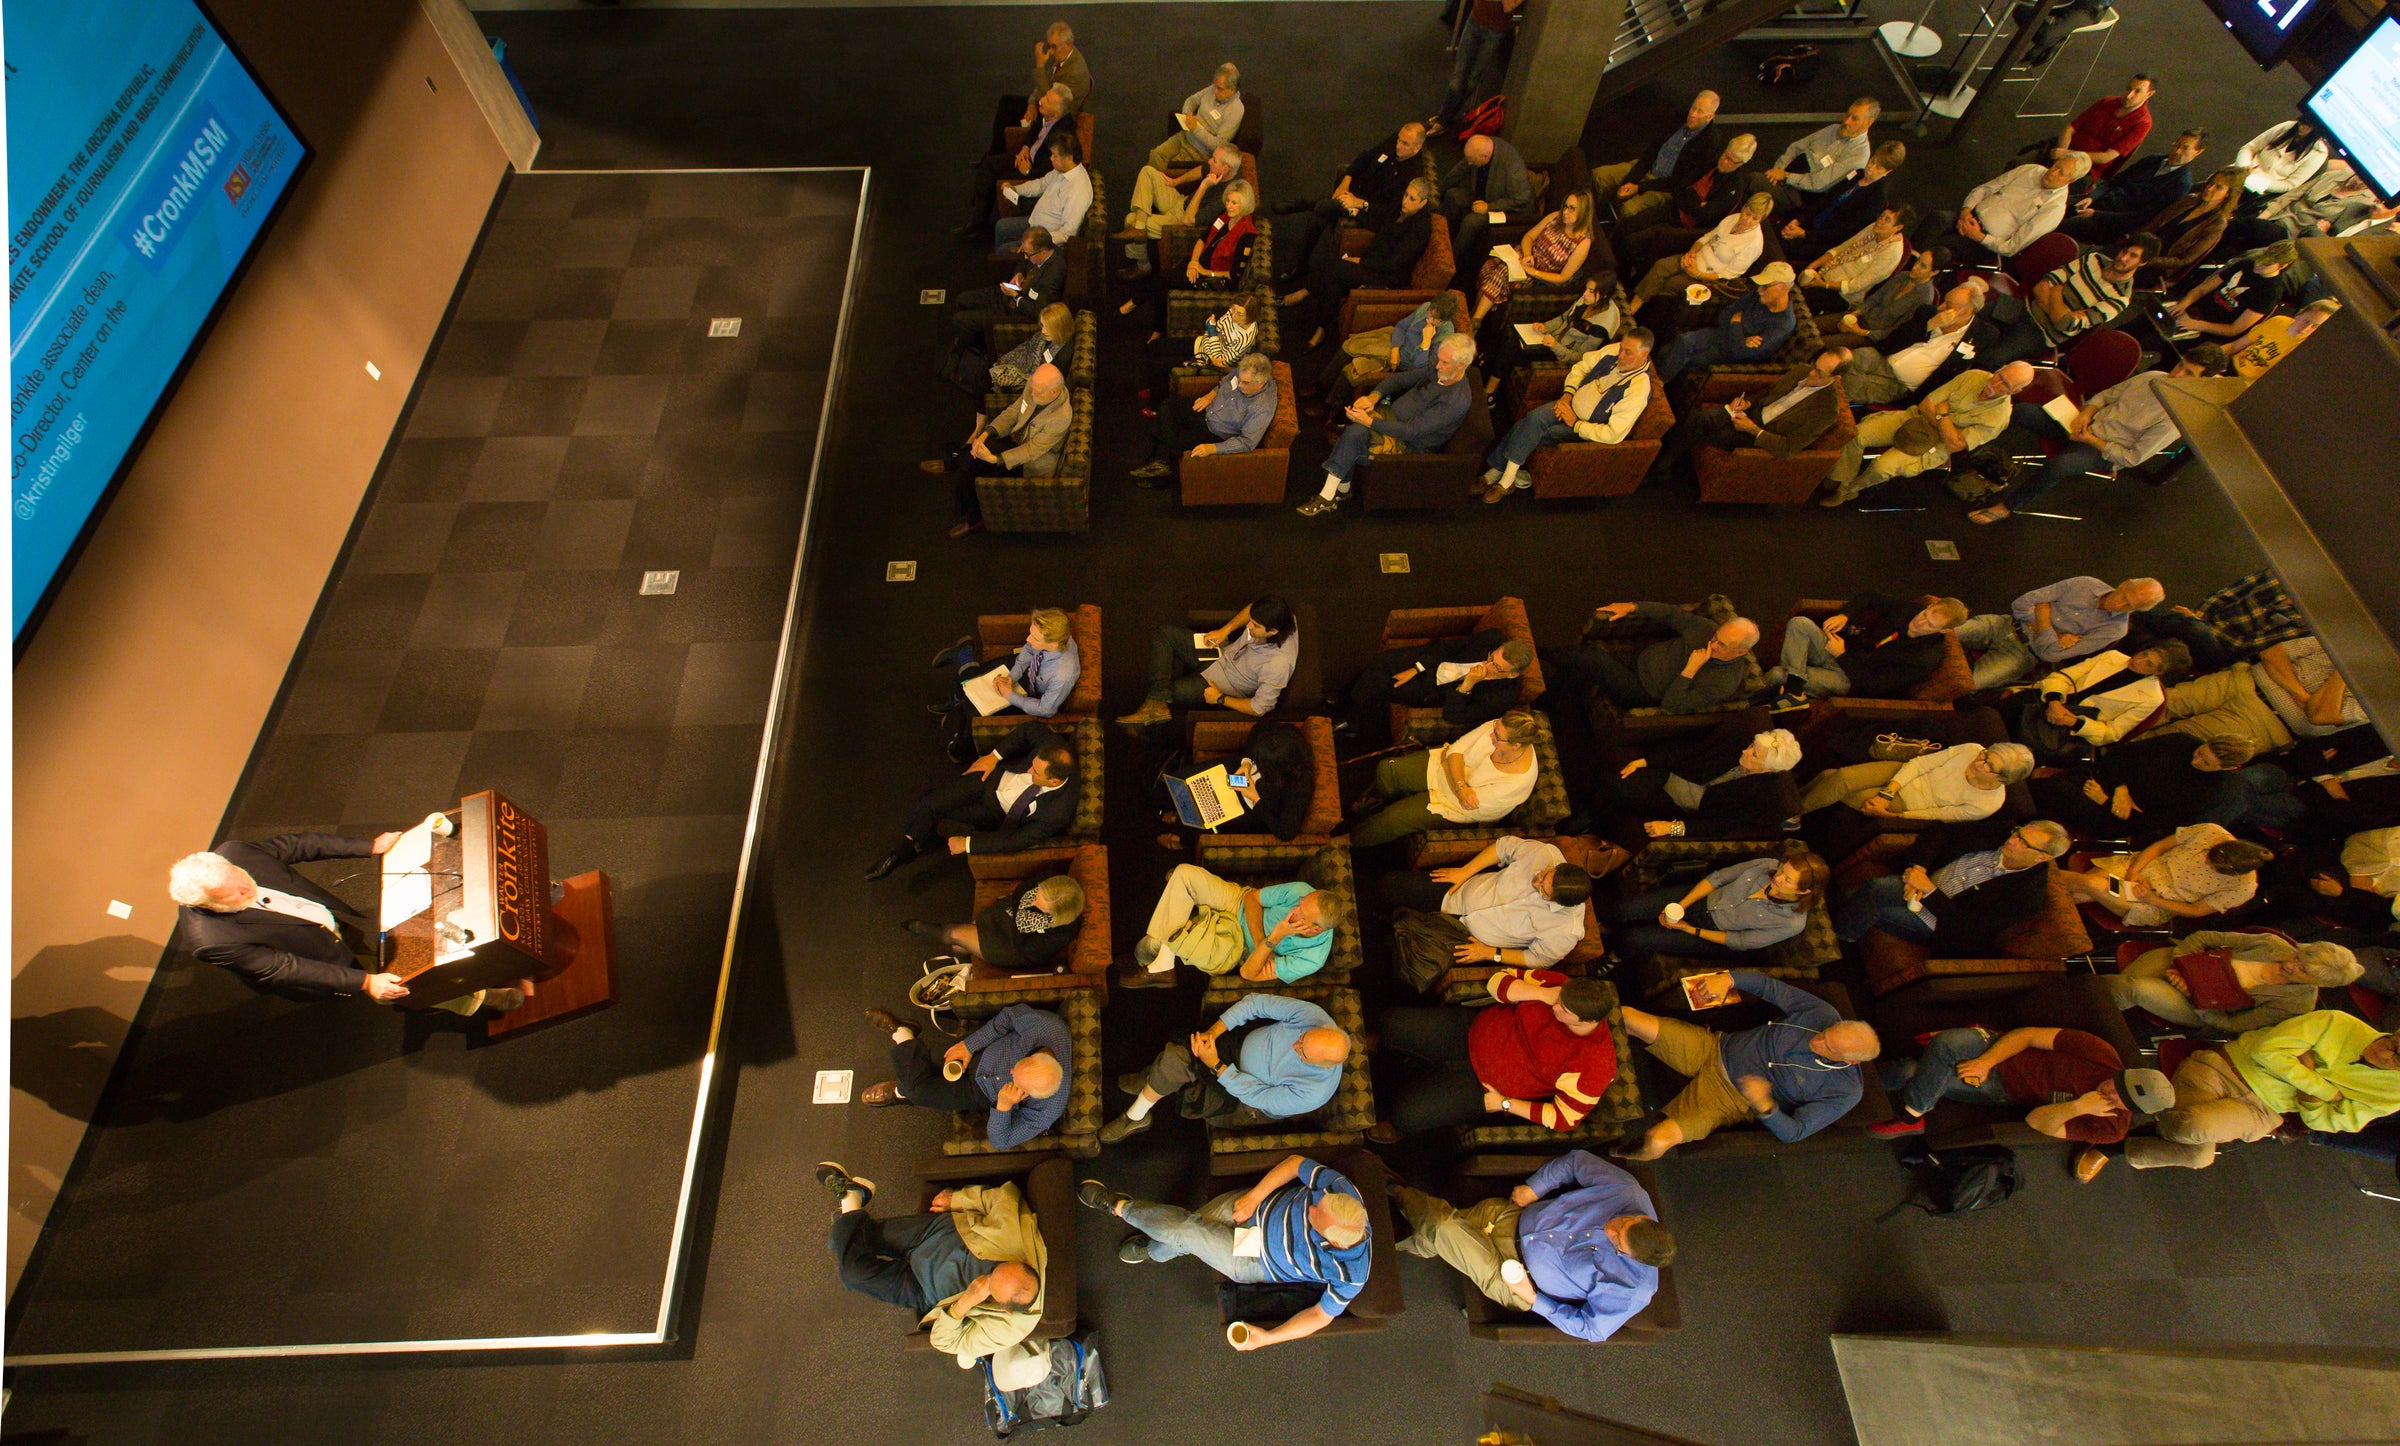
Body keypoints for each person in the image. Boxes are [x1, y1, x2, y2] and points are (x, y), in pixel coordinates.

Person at [169, 832, 521, 1015]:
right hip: (319, 959)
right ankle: (475, 999)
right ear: (211, 905)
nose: (246, 886)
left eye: (239, 877)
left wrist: (369, 845)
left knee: (401, 941)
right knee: (400, 984)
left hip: (329, 921)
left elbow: (299, 845)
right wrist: (365, 982)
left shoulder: (233, 853)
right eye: (234, 893)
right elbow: (285, 967)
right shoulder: (212, 941)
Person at [1081, 1154, 1371, 1349]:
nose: (1311, 1206)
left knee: (1185, 1231)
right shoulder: (1341, 1191)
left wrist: (1268, 1338)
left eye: (1314, 1215)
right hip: (1253, 1210)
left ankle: (1119, 1207)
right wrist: (1256, 1196)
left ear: (1332, 1242)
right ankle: (1156, 1248)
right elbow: (1296, 1164)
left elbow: (1321, 1316)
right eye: (1317, 1203)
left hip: (1256, 1260)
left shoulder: (1352, 1274)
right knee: (1186, 1232)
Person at [1392, 1151, 1671, 1342]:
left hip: (1514, 1278)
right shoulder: (1627, 1192)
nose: (1610, 1229)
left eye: (1616, 1241)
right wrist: (1536, 1187)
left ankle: (1398, 1193)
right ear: (1641, 1216)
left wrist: (1535, 1300)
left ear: (1629, 1256)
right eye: (1621, 1223)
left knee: (1443, 1226)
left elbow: (1591, 1329)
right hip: (1508, 1217)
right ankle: (1409, 1242)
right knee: (1436, 1236)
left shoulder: (1634, 1290)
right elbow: (1576, 1162)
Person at [1616, 970, 1878, 1158]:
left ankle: (1619, 1152)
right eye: (1825, 1034)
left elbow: (1795, 1132)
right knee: (1626, 1015)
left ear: (1850, 1061)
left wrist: (1765, 1105)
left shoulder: (1845, 1091)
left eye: (1828, 1047)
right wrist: (1728, 978)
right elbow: (1769, 987)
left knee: (1656, 1141)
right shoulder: (1823, 1014)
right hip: (1714, 1047)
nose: (1817, 1041)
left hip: (1730, 1097)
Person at [817, 1161, 1046, 1366]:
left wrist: (963, 1304)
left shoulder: (1011, 1328)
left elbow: (944, 1341)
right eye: (997, 1269)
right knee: (862, 1236)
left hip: (923, 1289)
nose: (987, 1275)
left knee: (853, 1273)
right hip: (938, 1235)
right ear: (1024, 1263)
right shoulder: (1022, 1243)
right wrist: (956, 1199)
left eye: (990, 1284)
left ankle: (852, 1200)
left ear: (1003, 1306)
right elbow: (1003, 1198)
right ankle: (849, 1204)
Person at [1970, 350, 2230, 524]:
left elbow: (2131, 458)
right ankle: (1970, 443)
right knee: (2024, 412)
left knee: (2058, 465)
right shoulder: (2154, 377)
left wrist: (2091, 440)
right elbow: (2106, 396)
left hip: (2101, 449)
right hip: (2085, 424)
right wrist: (2086, 413)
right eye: (2180, 366)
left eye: (2188, 374)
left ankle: (2007, 506)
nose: (2176, 375)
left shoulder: (2174, 418)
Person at [2125, 1012, 2400, 1171]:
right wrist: (2325, 1093)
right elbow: (2264, 1051)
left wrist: (2306, 1069)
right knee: (2197, 1151)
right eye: (2393, 1043)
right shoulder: (2339, 1022)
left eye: (2396, 1061)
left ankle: (2119, 1138)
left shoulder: (2393, 1095)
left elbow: (2322, 1122)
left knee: (2197, 1149)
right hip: (2223, 1070)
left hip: (2263, 1109)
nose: (2385, 1054)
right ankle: (2116, 1143)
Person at [1871, 1026, 2168, 1168]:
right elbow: (2026, 1035)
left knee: (1912, 1069)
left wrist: (2077, 1106)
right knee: (1948, 1044)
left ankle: (1869, 1085)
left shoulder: (2111, 1129)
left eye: (2119, 1099)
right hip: (2000, 1047)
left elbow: (2036, 1121)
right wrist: (1986, 1062)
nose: (2109, 1092)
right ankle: (1913, 1115)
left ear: (2129, 1110)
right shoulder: (2100, 1052)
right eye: (2115, 1083)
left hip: (2004, 1090)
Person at [1373, 966, 1620, 1137]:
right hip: (1473, 1030)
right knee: (1390, 1023)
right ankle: (1387, 1048)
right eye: (1559, 1000)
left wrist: (1504, 1104)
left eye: (1563, 1009)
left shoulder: (1596, 1066)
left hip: (1485, 1086)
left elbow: (1563, 1119)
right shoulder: (1559, 988)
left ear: (1587, 1021)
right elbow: (1498, 981)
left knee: (1405, 1116)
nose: (1556, 1007)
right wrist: (1544, 994)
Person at [1101, 993, 1350, 1141]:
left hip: (1245, 1096)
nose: (1295, 1045)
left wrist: (1216, 1065)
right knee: (1178, 1054)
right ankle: (1140, 1108)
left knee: (1188, 1088)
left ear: (1321, 1066)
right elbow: (1256, 1004)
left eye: (1302, 1052)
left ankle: (1144, 1098)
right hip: (1239, 1043)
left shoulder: (1314, 1093)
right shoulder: (1315, 1018)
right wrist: (1212, 1033)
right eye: (1302, 1038)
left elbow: (1258, 1096)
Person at [867, 720, 1081, 879]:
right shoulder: (1052, 744)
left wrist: (967, 843)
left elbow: (1017, 840)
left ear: (1053, 782)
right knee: (931, 803)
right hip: (990, 779)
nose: (1028, 770)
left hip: (996, 814)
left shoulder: (1058, 812)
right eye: (1032, 764)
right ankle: (902, 852)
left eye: (1035, 772)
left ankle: (919, 840)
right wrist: (993, 757)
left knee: (932, 804)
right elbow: (1027, 730)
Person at [1296, 333, 1478, 517]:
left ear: (1461, 365)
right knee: (1354, 433)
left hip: (1407, 444)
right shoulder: (1438, 369)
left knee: (1354, 435)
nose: (1438, 365)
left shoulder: (1455, 401)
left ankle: (1335, 493)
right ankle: (1338, 493)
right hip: (1390, 418)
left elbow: (1412, 432)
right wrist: (1373, 397)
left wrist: (1369, 421)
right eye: (1439, 359)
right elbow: (1399, 379)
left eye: (1444, 362)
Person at [1832, 818, 2070, 952]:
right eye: (2018, 833)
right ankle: (1834, 918)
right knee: (1873, 888)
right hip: (1920, 883)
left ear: (2042, 857)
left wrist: (1929, 890)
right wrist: (1919, 868)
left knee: (1873, 906)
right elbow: (1941, 831)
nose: (2012, 840)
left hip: (1936, 922)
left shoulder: (2027, 897)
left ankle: (1837, 939)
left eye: (2024, 843)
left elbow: (1968, 927)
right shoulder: (2000, 831)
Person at [1818, 362, 2034, 509]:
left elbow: (1955, 444)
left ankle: (1848, 490)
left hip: (1935, 446)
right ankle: (1839, 479)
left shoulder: (1999, 417)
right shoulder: (1974, 376)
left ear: (2016, 392)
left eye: (2005, 384)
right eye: (1999, 375)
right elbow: (1927, 404)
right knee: (1858, 434)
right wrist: (1944, 422)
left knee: (1882, 467)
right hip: (1915, 418)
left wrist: (1942, 413)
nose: (1994, 384)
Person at [1475, 328, 1653, 504]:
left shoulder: (1638, 388)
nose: (1621, 354)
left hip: (1583, 427)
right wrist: (1568, 394)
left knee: (1530, 430)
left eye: (1627, 352)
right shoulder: (1613, 351)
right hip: (1567, 403)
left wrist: (1576, 424)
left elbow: (1613, 434)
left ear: (1644, 355)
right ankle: (1505, 479)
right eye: (1621, 348)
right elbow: (1582, 366)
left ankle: (1499, 475)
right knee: (1533, 419)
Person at [861, 1001, 1070, 1148]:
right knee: (924, 1079)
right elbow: (1008, 1016)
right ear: (1037, 1053)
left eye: (1019, 1084)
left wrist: (1004, 1107)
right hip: (981, 1054)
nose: (1011, 1073)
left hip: (980, 1092)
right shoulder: (1049, 1028)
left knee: (917, 1089)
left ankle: (902, 1039)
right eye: (1017, 1067)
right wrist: (970, 1045)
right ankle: (900, 1090)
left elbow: (1002, 1141)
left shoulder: (1050, 1109)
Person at [1383, 835, 1594, 973]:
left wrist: (1490, 953)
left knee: (1405, 965)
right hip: (1458, 892)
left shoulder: (1565, 931)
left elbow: (1539, 959)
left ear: (1560, 903)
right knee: (1391, 885)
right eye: (1544, 874)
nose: (1536, 881)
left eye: (1543, 890)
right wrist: (1464, 871)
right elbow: (1503, 847)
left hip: (1468, 937)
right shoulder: (1546, 855)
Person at [1116, 860, 1342, 989]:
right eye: (1300, 903)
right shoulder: (1302, 891)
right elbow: (1252, 898)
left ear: (1315, 929)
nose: (1295, 908)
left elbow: (1248, 972)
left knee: (1154, 942)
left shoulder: (1312, 959)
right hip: (1238, 904)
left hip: (1236, 946)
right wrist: (1263, 943)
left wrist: (1275, 938)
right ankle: (1163, 963)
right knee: (1184, 873)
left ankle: (1146, 958)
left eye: (1301, 913)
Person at [1647, 344, 1850, 485]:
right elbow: (1769, 393)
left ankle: (1662, 465)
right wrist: (1748, 402)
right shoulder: (1801, 371)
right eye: (1815, 367)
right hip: (1751, 412)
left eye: (1820, 373)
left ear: (1836, 378)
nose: (1812, 374)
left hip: (1760, 434)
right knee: (1701, 417)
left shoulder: (1826, 411)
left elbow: (1788, 448)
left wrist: (1753, 430)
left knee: (1716, 433)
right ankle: (1664, 461)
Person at [1349, 711, 1543, 849]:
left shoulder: (1517, 782)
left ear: (1516, 745)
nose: (1491, 734)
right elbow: (1456, 749)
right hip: (1449, 776)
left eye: (1497, 736)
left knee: (1393, 818)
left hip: (1453, 805)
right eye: (1495, 728)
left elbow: (1468, 804)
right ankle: (1380, 801)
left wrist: (1454, 767)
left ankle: (1350, 839)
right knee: (1387, 769)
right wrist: (1461, 784)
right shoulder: (1498, 727)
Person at [1283, 176, 1438, 349]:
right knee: (1335, 285)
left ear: (1423, 203)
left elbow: (1394, 263)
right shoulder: (1400, 208)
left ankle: (1303, 292)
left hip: (1386, 276)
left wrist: (1360, 261)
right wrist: (1358, 208)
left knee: (1333, 268)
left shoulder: (1420, 229)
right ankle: (1321, 331)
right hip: (1372, 261)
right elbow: (1380, 216)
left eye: (1412, 199)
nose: (1405, 201)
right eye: (1406, 195)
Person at [1590, 719, 1802, 845]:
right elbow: (1691, 750)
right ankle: (1584, 819)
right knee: (1622, 785)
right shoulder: (1739, 742)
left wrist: (1673, 828)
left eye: (1754, 755)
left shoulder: (1767, 796)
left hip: (1688, 807)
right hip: (1673, 774)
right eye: (1751, 746)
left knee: (1629, 801)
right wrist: (1645, 761)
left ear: (1768, 769)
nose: (1746, 751)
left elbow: (1720, 826)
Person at [2106, 932, 2363, 1035]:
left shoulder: (2297, 1003)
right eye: (2298, 956)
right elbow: (2206, 936)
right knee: (2124, 984)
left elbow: (2235, 1024)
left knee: (2133, 986)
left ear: (2317, 982)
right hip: (2184, 963)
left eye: (2302, 970)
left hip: (2200, 1007)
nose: (2291, 964)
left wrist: (2195, 996)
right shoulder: (2273, 945)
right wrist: (2182, 963)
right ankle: (2090, 1007)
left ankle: (2083, 1003)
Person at [1271, 122, 1431, 283]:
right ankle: (1302, 265)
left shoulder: (1413, 176)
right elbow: (1365, 157)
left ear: (1416, 148)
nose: (1398, 146)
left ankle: (1301, 205)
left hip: (1370, 213)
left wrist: (1361, 204)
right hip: (1357, 191)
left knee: (1325, 206)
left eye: (1405, 144)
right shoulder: (1395, 141)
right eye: (1398, 140)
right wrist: (1346, 180)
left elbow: (1391, 211)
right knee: (1317, 218)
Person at [929, 363, 1071, 538]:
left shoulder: (1061, 417)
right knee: (971, 457)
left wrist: (994, 459)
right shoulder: (1035, 386)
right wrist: (985, 434)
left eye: (1037, 392)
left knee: (969, 465)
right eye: (1032, 389)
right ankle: (961, 467)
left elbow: (1031, 451)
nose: (1032, 394)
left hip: (1030, 463)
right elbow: (1013, 412)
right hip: (1014, 440)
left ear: (1054, 393)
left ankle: (974, 517)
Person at [1119, 596, 1299, 732]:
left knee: (1170, 691)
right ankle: (1156, 702)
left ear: (1273, 631)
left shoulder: (1277, 665)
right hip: (1223, 653)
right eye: (1251, 621)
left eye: (1256, 626)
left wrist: (1220, 698)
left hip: (1226, 683)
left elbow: (1260, 708)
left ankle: (1154, 712)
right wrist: (1225, 630)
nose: (1249, 627)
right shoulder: (1281, 616)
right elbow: (1252, 608)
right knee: (1164, 634)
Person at [1974, 233, 2153, 370]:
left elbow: (2064, 324)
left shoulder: (2119, 299)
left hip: (2041, 334)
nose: (2123, 258)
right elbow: (2042, 285)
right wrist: (2059, 309)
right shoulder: (2094, 259)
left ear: (2143, 263)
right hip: (2025, 307)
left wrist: (2057, 292)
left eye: (2133, 256)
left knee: (1991, 359)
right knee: (1970, 313)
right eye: (2124, 251)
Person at [926, 606, 1082, 760]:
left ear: (1053, 644)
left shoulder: (1062, 675)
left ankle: (959, 748)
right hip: (1026, 670)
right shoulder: (1053, 637)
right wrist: (1011, 677)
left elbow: (1046, 710)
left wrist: (1010, 695)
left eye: (1034, 638)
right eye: (1031, 633)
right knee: (976, 678)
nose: (1028, 639)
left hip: (1031, 693)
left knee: (972, 710)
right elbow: (1027, 651)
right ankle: (958, 687)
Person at [1955, 576, 2165, 690]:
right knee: (1947, 630)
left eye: (2129, 605)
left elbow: (2051, 655)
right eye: (2124, 595)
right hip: (2005, 624)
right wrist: (2053, 634)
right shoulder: (2085, 584)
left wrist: (2043, 615)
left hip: (2025, 654)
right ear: (2124, 583)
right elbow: (2020, 603)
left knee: (1968, 685)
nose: (2119, 603)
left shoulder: (2114, 630)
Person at [1551, 600, 1760, 715]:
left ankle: (1532, 653)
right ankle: (1549, 698)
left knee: (1593, 659)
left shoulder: (1724, 683)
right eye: (1716, 637)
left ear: (1741, 652)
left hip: (1643, 688)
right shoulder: (1706, 630)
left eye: (1721, 645)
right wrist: (1634, 607)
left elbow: (1672, 705)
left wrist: (1690, 670)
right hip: (1640, 657)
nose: (1712, 644)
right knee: (1579, 667)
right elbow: (1672, 614)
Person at [1611, 852, 1830, 960]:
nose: (1778, 877)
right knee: (1624, 909)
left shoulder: (1791, 922)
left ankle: (1614, 956)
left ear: (1803, 891)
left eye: (1787, 880)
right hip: (1702, 899)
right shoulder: (1767, 865)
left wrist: (1690, 929)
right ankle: (1603, 925)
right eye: (1782, 870)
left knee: (1633, 939)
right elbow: (1718, 878)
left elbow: (1740, 941)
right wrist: (1682, 905)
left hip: (1711, 932)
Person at [1337, 631, 1534, 750]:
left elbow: (1454, 716)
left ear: (1511, 675)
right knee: (1381, 662)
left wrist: (1467, 685)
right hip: (1429, 662)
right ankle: (1349, 707)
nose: (1487, 664)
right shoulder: (1493, 638)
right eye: (1491, 657)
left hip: (1435, 689)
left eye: (1496, 667)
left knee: (1385, 685)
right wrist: (1416, 668)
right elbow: (1448, 645)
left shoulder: (1502, 698)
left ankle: (1348, 710)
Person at [2031, 734, 2256, 837]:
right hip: (2106, 779)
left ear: (2227, 769)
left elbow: (2154, 824)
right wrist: (2121, 788)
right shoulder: (2182, 742)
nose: (2195, 760)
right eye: (2200, 752)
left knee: (2057, 793)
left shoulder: (2210, 793)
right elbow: (2121, 754)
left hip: (2118, 816)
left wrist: (2106, 802)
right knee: (2055, 790)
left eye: (2205, 763)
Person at [2065, 823, 2272, 928]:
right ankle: (2039, 901)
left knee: (2093, 884)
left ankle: (2040, 874)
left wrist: (2151, 898)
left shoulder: (2244, 887)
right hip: (2138, 868)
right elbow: (2159, 847)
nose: (2206, 862)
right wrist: (2134, 872)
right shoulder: (2212, 831)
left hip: (2154, 901)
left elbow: (2195, 910)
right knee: (2084, 892)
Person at [2011, 641, 2193, 761]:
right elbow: (2063, 676)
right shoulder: (2112, 656)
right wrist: (2054, 702)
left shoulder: (2152, 699)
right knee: (2008, 707)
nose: (2138, 660)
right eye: (2144, 653)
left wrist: (2071, 721)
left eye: (2149, 664)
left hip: (2068, 729)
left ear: (2158, 673)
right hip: (2050, 698)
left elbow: (2111, 733)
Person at [1770, 594, 1970, 701]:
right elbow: (1871, 597)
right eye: (1925, 614)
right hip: (1844, 649)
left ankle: (1748, 697)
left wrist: (1842, 656)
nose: (1919, 622)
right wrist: (1844, 615)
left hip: (1849, 679)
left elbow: (1876, 686)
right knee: (1800, 623)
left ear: (1944, 631)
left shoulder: (1923, 659)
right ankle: (1794, 688)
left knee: (1779, 674)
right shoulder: (1911, 610)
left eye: (1930, 625)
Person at [1800, 740, 2034, 827]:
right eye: (1985, 755)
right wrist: (1890, 791)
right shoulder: (1972, 749)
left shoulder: (1988, 804)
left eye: (1988, 766)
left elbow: (1937, 815)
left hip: (1909, 803)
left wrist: (1893, 815)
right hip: (1902, 775)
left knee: (1832, 780)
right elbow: (1921, 764)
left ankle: (1791, 808)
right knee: (1838, 777)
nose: (1978, 761)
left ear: (2003, 779)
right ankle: (1792, 812)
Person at [1130, 351, 1277, 489]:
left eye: (1245, 383)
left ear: (1260, 384)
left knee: (1178, 437)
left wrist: (1213, 448)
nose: (1239, 385)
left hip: (1216, 433)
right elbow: (1224, 383)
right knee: (1169, 406)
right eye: (1239, 379)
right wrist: (1210, 396)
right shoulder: (1244, 371)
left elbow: (1246, 443)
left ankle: (1159, 465)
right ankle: (1162, 462)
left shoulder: (1262, 407)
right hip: (1207, 411)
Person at [1159, 718, 1318, 845]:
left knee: (1200, 820)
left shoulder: (1301, 784)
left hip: (1250, 806)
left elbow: (1286, 832)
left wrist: (1255, 798)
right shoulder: (1284, 735)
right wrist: (1247, 762)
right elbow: (1258, 729)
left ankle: (1182, 834)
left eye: (1263, 764)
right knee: (1183, 778)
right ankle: (1178, 810)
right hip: (1237, 769)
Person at [1125, 180, 1258, 331]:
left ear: (1245, 204)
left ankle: (1132, 304)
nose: (1228, 205)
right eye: (1228, 200)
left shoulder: (1247, 233)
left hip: (1213, 278)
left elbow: (1234, 275)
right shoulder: (1225, 217)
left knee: (1162, 278)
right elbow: (1202, 239)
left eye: (1234, 203)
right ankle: (1159, 329)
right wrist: (1194, 262)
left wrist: (1203, 271)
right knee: (1162, 287)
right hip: (1198, 263)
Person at [906, 870, 1085, 979]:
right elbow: (1020, 892)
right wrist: (1017, 911)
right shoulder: (1050, 879)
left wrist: (1017, 920)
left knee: (956, 935)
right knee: (960, 941)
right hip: (1008, 913)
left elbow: (1025, 950)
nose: (1034, 901)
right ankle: (964, 964)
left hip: (1011, 946)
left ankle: (920, 928)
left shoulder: (1064, 931)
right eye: (1038, 893)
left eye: (1040, 905)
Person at [1616, 134, 1759, 264]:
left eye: (1732, 161)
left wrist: (1689, 193)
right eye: (1726, 156)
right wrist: (1695, 199)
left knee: (1635, 241)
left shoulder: (1735, 186)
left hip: (1688, 229)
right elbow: (1680, 185)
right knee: (1629, 225)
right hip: (1675, 208)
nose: (1725, 162)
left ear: (1741, 164)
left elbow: (1704, 216)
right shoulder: (1711, 161)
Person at [1835, 282, 1981, 406]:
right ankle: (1832, 397)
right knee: (1856, 356)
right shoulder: (1928, 312)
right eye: (1944, 300)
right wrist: (1930, 324)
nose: (1941, 307)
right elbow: (1894, 339)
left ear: (1966, 312)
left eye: (1949, 305)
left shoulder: (1977, 336)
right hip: (1884, 358)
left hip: (1901, 384)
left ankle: (1832, 401)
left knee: (1861, 384)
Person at [1475, 191, 1603, 330]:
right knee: (1491, 267)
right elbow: (1529, 236)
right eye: (1565, 206)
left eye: (1572, 208)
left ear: (1583, 212)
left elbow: (1563, 276)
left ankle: (1475, 320)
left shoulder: (1583, 242)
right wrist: (1528, 254)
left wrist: (1534, 272)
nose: (1565, 211)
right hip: (1523, 255)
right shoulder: (1555, 217)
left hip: (1537, 275)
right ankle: (1476, 320)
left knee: (1501, 271)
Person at [1323, 290, 1461, 416]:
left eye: (1437, 320)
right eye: (1431, 313)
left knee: (1352, 370)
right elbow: (1401, 326)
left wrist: (1426, 342)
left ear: (1445, 321)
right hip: (1393, 345)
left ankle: (1329, 408)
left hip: (1404, 365)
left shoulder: (1446, 337)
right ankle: (1321, 387)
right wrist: (1395, 349)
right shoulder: (1425, 307)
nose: (1430, 320)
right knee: (1348, 348)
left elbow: (1419, 369)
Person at [1654, 264, 1797, 383]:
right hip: (1721, 334)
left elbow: (1741, 352)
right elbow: (1725, 315)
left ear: (1782, 288)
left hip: (1731, 356)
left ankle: (1658, 383)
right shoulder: (1758, 295)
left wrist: (1736, 323)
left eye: (1765, 287)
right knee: (1681, 342)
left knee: (1677, 356)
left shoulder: (1783, 324)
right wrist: (1741, 337)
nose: (1759, 290)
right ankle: (1658, 381)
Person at [1592, 90, 1721, 222]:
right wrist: (1632, 180)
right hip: (1648, 169)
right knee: (1600, 176)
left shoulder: (1710, 143)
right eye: (1693, 108)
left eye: (1700, 112)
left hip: (1664, 187)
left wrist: (1639, 187)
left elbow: (1681, 181)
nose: (1693, 114)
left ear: (1710, 117)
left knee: (1629, 209)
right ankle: (1591, 216)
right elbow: (1651, 152)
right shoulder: (1678, 119)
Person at [969, 84, 1077, 239]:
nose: (1041, 100)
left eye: (1047, 100)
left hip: (1033, 171)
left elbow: (1051, 170)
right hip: (1026, 158)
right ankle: (977, 221)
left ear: (1058, 111)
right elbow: (1033, 131)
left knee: (993, 174)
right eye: (1044, 96)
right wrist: (1025, 148)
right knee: (988, 164)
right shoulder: (1046, 113)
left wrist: (1027, 171)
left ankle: (979, 227)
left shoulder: (1062, 134)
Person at [1119, 144, 1243, 279]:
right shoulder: (1220, 170)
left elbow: (1188, 220)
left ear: (1225, 169)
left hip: (1180, 219)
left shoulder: (1226, 198)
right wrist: (1175, 182)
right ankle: (1140, 227)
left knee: (1131, 219)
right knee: (1147, 171)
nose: (1209, 161)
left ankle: (1143, 265)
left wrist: (1203, 185)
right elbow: (1202, 169)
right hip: (1181, 201)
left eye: (1213, 160)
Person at [2064, 127, 2205, 244]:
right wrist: (2092, 197)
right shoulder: (2153, 160)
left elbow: (2141, 218)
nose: (2177, 151)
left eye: (2185, 148)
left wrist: (2096, 215)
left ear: (2198, 152)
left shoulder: (2181, 184)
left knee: (2056, 224)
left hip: (2111, 224)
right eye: (2177, 145)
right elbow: (2115, 181)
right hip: (2100, 201)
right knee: (2051, 205)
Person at [1627, 193, 1772, 306]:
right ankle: (1632, 309)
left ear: (1761, 219)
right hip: (1695, 260)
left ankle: (1646, 318)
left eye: (1754, 218)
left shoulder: (1754, 244)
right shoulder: (1732, 218)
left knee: (1670, 283)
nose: (1747, 221)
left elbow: (1728, 275)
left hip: (1708, 278)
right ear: (1744, 207)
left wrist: (1697, 274)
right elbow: (1707, 237)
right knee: (1661, 266)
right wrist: (1691, 253)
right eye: (1747, 214)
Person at [1778, 143, 1909, 266]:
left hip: (1824, 241)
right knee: (1778, 228)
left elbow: (1844, 232)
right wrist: (1798, 220)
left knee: (1780, 247)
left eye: (1878, 167)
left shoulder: (1876, 199)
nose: (1870, 168)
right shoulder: (1857, 174)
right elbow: (1825, 200)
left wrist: (1803, 233)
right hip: (1812, 223)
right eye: (1872, 161)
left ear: (1888, 171)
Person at [1944, 152, 2086, 262]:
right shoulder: (2030, 170)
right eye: (2056, 166)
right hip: (1970, 216)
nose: (2053, 172)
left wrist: (1979, 236)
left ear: (2071, 180)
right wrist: (1966, 210)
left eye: (2061, 173)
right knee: (1938, 219)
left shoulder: (2054, 209)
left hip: (1984, 243)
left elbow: (2012, 247)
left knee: (1943, 246)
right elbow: (1986, 189)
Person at [1138, 290, 1261, 412]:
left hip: (1206, 361)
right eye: (1233, 309)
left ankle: (1157, 407)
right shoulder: (1232, 312)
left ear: (1250, 316)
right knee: (1153, 347)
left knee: (1157, 365)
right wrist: (1211, 333)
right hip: (1201, 344)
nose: (1233, 315)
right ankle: (1156, 388)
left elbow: (1222, 361)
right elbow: (1213, 330)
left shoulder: (1246, 339)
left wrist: (1211, 332)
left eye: (1239, 314)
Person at [953, 227, 1068, 352]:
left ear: (1042, 251)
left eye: (1027, 254)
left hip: (1015, 311)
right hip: (1008, 293)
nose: (1025, 256)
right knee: (962, 299)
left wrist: (1015, 296)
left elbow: (1038, 311)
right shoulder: (1041, 251)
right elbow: (1022, 261)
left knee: (960, 319)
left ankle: (978, 346)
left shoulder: (1053, 276)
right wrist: (1018, 273)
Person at [2164, 240, 2300, 340]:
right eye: (2261, 259)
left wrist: (2200, 325)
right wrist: (2184, 303)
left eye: (2266, 264)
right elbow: (2203, 289)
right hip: (2196, 311)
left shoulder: (2271, 292)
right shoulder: (2246, 264)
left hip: (2211, 329)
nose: (2257, 266)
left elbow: (2234, 329)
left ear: (2282, 266)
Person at [1795, 204, 1912, 317]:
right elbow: (1841, 249)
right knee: (1791, 272)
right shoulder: (1873, 228)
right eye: (1881, 216)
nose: (1880, 221)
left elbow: (1857, 285)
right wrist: (1813, 266)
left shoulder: (1891, 253)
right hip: (1826, 271)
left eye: (1887, 220)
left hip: (1842, 294)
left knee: (1803, 298)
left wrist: (1823, 285)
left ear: (1898, 227)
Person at [1762, 97, 1881, 206]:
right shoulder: (1833, 129)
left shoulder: (1859, 155)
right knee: (1761, 183)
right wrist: (1778, 169)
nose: (1846, 121)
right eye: (1847, 115)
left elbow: (1819, 183)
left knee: (1754, 182)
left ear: (1868, 122)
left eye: (1854, 118)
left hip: (1801, 193)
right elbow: (1796, 147)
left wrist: (1785, 177)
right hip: (1784, 175)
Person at [2133, 168, 2244, 284]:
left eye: (2218, 187)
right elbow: (2155, 222)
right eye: (2211, 183)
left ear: (2228, 194)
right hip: (2141, 247)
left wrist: (2148, 260)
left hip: (2159, 265)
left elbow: (2184, 260)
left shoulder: (2217, 224)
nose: (2209, 189)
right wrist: (2132, 238)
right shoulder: (2189, 200)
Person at [992, 20, 1090, 150]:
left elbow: (1050, 98)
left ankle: (1005, 153)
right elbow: (1044, 84)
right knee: (1007, 102)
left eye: (1054, 46)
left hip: (1058, 113)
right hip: (1049, 102)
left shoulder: (1074, 72)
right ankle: (997, 150)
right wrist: (1032, 103)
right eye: (1050, 46)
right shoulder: (1063, 56)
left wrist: (1040, 66)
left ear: (1068, 45)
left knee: (1010, 110)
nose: (1051, 51)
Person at [1442, 133, 1536, 269]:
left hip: (1505, 207)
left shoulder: (1512, 168)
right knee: (1452, 195)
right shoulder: (1480, 150)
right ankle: (1445, 237)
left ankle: (1452, 260)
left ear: (1485, 157)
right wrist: (1441, 188)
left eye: (1473, 162)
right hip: (1483, 195)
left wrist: (1489, 207)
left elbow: (1522, 198)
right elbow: (1460, 169)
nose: (1470, 164)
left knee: (1471, 222)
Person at [1434, 0, 1524, 136]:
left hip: (1494, 31)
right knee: (1458, 75)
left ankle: (1446, 117)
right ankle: (1444, 118)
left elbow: (1508, 6)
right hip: (1474, 20)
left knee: (1472, 79)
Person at [994, 134, 1091, 259]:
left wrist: (1036, 244)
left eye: (1055, 155)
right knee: (1001, 226)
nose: (1051, 158)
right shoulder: (1062, 170)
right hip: (1035, 223)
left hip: (1042, 238)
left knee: (1003, 250)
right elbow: (1041, 184)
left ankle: (1011, 268)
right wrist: (1016, 189)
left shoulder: (1077, 191)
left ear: (1069, 158)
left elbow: (1068, 233)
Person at [1832, 243, 1948, 344]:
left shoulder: (1924, 299)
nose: (1915, 267)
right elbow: (1875, 298)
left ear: (1934, 272)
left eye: (1923, 266)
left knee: (1825, 343)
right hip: (1862, 317)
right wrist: (1855, 314)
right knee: (1818, 324)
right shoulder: (1903, 276)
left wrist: (1861, 332)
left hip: (1872, 336)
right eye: (1918, 261)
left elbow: (1897, 330)